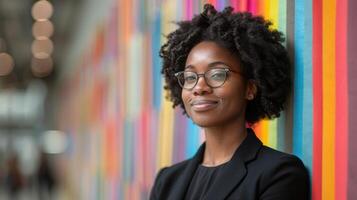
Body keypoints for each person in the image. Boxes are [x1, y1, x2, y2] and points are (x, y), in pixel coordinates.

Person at [150, 4, 310, 200]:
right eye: (190, 77)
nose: (199, 87)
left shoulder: (278, 174)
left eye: (217, 74)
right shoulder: (167, 181)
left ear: (250, 88)